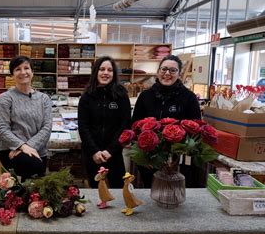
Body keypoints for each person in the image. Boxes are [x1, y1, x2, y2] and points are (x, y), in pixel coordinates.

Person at [132, 54, 202, 188]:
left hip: (177, 161)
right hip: (149, 158)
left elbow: (195, 129)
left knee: (173, 193)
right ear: (158, 72)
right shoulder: (146, 96)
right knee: (152, 191)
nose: (167, 73)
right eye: (163, 69)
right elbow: (135, 125)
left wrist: (181, 153)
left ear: (179, 73)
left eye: (172, 70)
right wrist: (142, 153)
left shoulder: (189, 98)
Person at [0, 56, 52, 180]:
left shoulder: (44, 99)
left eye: (26, 68)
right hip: (11, 150)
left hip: (38, 150)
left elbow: (47, 128)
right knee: (36, 168)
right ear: (12, 74)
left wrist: (28, 147)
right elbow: (2, 129)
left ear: (32, 72)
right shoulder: (5, 98)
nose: (23, 72)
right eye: (18, 69)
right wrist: (22, 146)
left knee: (37, 189)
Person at [78, 56, 131, 188]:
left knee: (119, 189)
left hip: (114, 153)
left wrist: (111, 150)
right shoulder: (87, 96)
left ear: (114, 74)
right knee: (97, 191)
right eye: (102, 69)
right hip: (92, 154)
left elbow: (125, 125)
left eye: (110, 70)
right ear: (96, 72)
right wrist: (94, 151)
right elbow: (83, 126)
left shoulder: (121, 95)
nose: (105, 73)